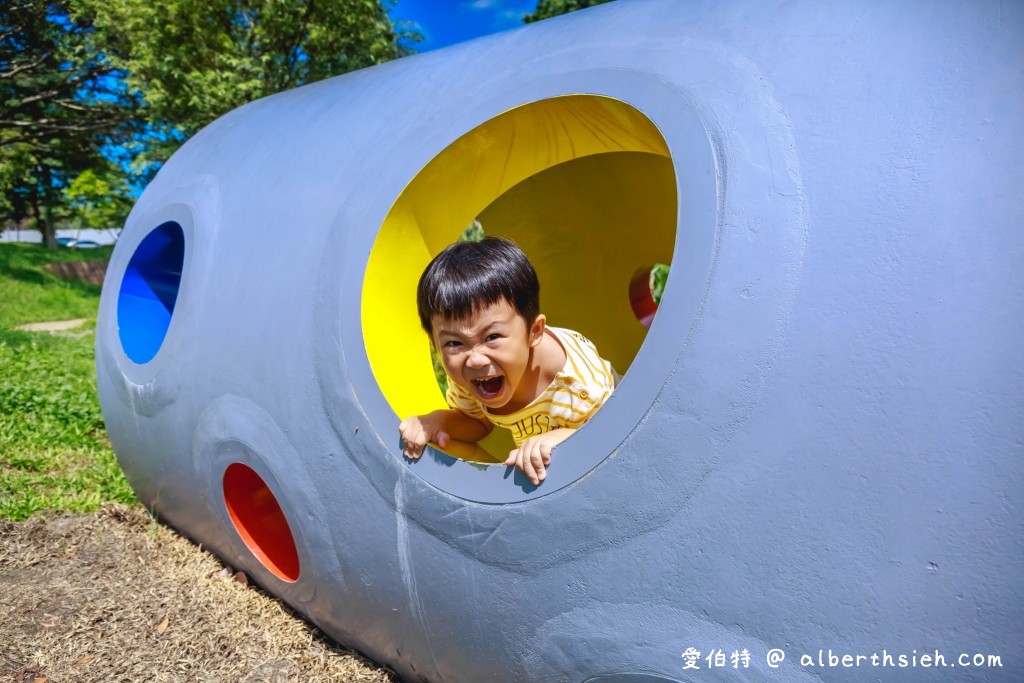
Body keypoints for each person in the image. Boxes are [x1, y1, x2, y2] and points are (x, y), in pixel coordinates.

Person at [399, 236, 616, 485]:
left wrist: (562, 438)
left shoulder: (577, 386)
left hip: (599, 417)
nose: (475, 359)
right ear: (435, 343)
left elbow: (616, 432)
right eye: (454, 342)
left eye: (492, 337)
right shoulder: (469, 371)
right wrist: (439, 421)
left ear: (534, 332)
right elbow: (477, 423)